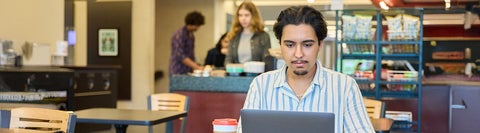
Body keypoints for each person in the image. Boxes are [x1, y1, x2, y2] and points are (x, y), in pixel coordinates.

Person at [239, 6, 374, 133]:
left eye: (307, 44)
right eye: (290, 45)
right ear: (280, 45)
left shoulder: (345, 87)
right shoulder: (261, 85)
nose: (298, 54)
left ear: (320, 44)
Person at [169, 11, 205, 76]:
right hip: (178, 70)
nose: (197, 28)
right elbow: (181, 55)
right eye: (196, 26)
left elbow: (191, 54)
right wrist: (196, 67)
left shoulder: (191, 35)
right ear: (190, 23)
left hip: (188, 70)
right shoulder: (179, 35)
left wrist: (195, 66)